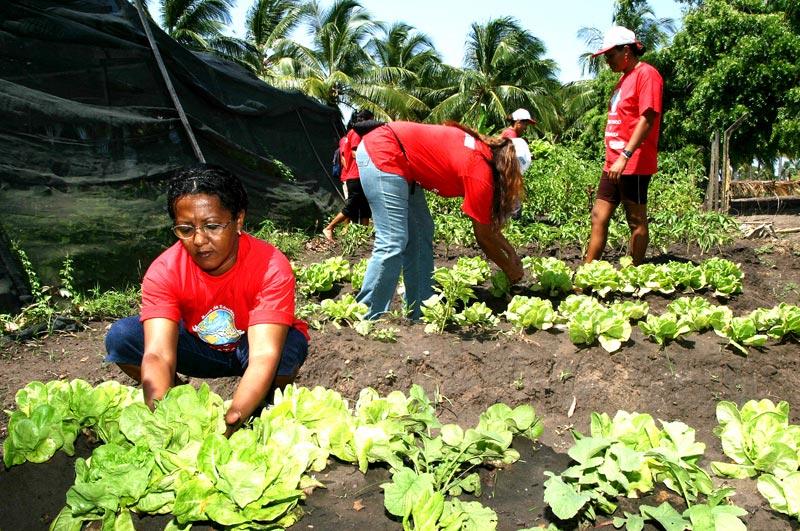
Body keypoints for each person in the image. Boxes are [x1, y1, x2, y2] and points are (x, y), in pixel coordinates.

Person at [104, 164, 309, 436]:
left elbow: (263, 355)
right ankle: (184, 402)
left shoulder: (270, 266)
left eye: (212, 226)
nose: (199, 240)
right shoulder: (164, 270)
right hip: (200, 347)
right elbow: (157, 354)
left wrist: (232, 421)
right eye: (186, 229)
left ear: (238, 220)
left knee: (286, 350)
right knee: (123, 337)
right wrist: (166, 422)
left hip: (251, 349)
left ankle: (262, 407)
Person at [354, 121, 532, 319]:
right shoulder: (479, 170)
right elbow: (483, 237)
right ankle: (368, 315)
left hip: (403, 162)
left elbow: (487, 228)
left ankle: (419, 309)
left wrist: (511, 253)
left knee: (422, 231)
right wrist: (509, 269)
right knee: (393, 240)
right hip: (384, 151)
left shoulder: (484, 154)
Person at [585, 25, 663, 266]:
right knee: (598, 216)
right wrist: (615, 157)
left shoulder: (647, 74)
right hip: (613, 162)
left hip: (633, 162)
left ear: (626, 51)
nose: (607, 61)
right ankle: (587, 272)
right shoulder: (622, 80)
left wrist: (625, 155)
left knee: (636, 220)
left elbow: (647, 117)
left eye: (610, 55)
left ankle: (635, 272)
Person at [322, 109, 374, 242]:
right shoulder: (356, 133)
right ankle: (329, 227)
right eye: (371, 120)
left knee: (365, 206)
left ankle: (363, 235)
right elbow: (355, 153)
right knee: (352, 205)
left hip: (360, 175)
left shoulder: (358, 134)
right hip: (355, 175)